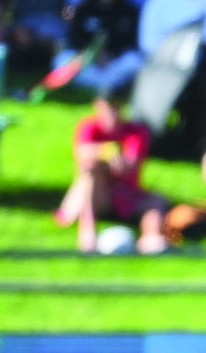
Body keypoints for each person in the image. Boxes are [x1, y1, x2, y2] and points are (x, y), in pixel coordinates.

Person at [56, 92, 168, 254]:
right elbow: (82, 155)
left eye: (116, 106)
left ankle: (151, 238)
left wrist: (108, 162)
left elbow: (130, 166)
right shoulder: (89, 127)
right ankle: (88, 233)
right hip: (96, 194)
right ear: (97, 105)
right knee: (90, 170)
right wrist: (106, 152)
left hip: (125, 192)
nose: (112, 111)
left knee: (157, 201)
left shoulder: (135, 131)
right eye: (108, 106)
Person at [58, 0, 142, 94]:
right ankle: (104, 86)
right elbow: (75, 38)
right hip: (88, 61)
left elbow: (132, 41)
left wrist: (112, 55)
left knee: (134, 61)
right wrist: (92, 55)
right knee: (61, 60)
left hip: (114, 63)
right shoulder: (83, 8)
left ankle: (107, 85)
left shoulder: (128, 10)